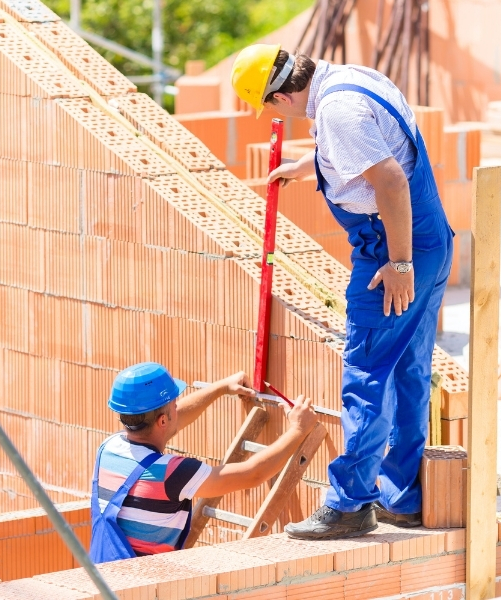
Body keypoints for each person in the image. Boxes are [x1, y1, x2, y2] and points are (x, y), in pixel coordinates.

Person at [230, 45, 454, 540]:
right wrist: (312, 166)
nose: (273, 116)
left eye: (268, 107)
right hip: (432, 241)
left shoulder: (335, 110)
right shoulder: (349, 79)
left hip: (392, 250)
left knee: (368, 373)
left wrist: (398, 264)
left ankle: (351, 503)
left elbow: (391, 183)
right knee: (409, 369)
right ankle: (403, 497)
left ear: (282, 96)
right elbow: (380, 151)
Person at [89, 362, 318, 562]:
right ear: (161, 421)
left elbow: (170, 423)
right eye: (174, 405)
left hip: (103, 578)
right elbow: (252, 474)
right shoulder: (173, 473)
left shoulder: (108, 449)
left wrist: (220, 388)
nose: (178, 408)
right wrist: (298, 429)